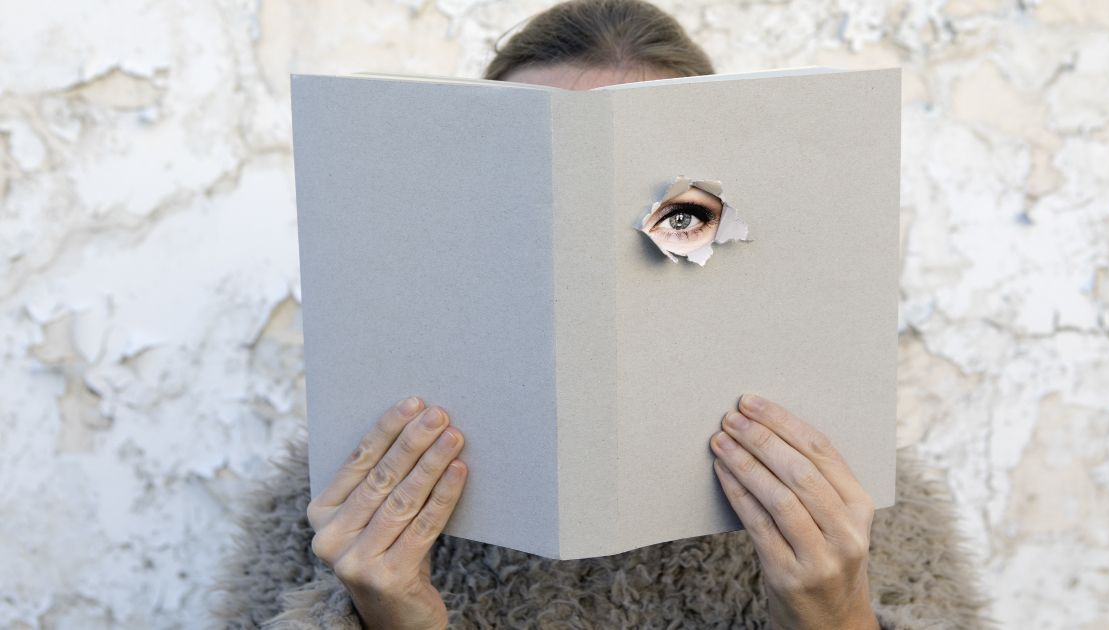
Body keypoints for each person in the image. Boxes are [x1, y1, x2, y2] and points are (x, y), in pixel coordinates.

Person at [209, 1, 995, 628]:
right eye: (529, 203)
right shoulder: (332, 506)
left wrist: (837, 618)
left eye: (679, 218)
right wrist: (389, 621)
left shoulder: (855, 501)